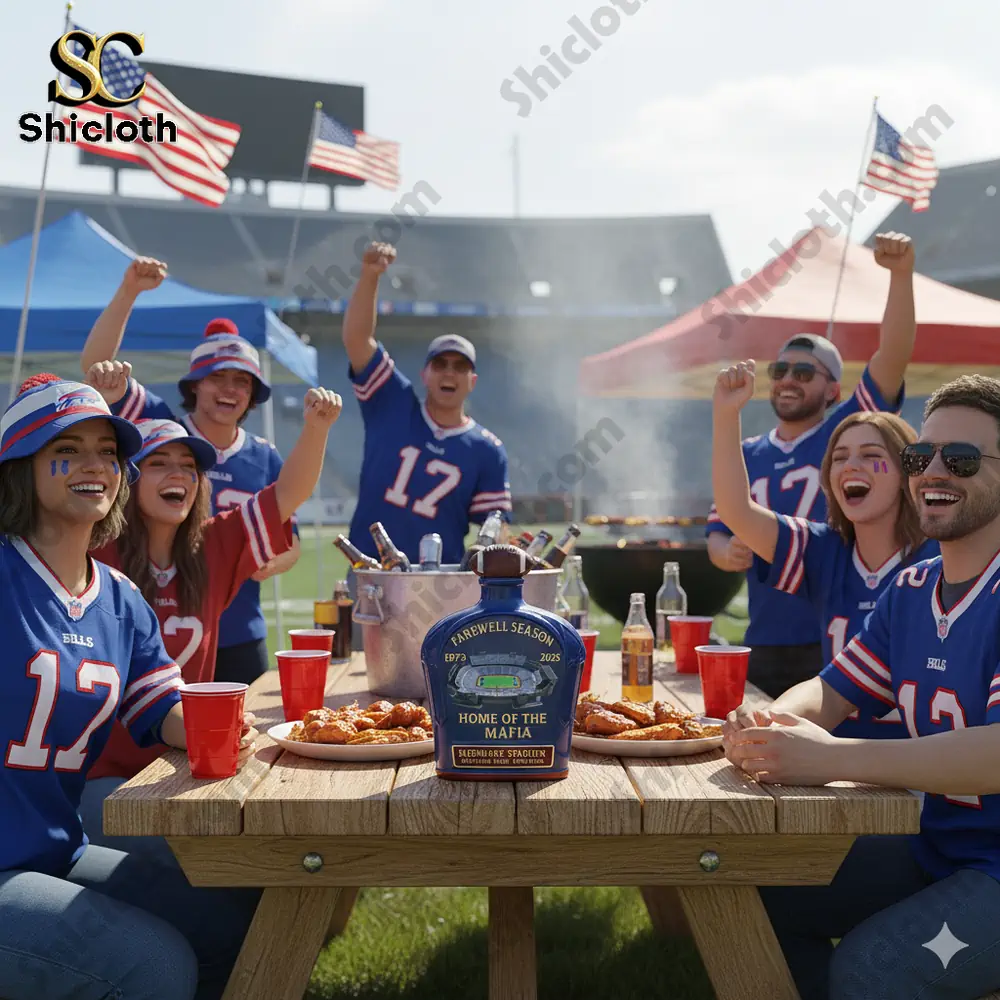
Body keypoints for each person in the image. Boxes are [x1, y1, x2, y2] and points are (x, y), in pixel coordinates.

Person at [723, 374, 1000, 1000]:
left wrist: (833, 758)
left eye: (961, 458)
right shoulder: (911, 590)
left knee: (871, 968)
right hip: (939, 843)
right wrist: (774, 721)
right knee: (761, 894)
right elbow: (833, 688)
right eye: (919, 456)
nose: (934, 471)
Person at [0, 374, 257, 1000]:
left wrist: (216, 724)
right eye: (67, 447)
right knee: (153, 965)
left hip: (57, 849)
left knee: (233, 920)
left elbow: (159, 704)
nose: (94, 465)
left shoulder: (119, 596)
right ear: (18, 465)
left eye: (108, 452)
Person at [78, 361, 342, 859]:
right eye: (159, 463)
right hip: (103, 770)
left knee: (265, 848)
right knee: (185, 866)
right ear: (128, 481)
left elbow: (287, 495)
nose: (177, 474)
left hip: (186, 756)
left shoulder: (212, 547)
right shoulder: (95, 548)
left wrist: (317, 428)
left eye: (188, 466)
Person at [705, 231, 917, 699]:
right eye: (779, 371)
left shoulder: (844, 435)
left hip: (832, 625)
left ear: (834, 390)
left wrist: (900, 278)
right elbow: (724, 523)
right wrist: (725, 552)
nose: (788, 380)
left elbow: (893, 357)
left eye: (804, 373)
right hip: (765, 628)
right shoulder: (748, 450)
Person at [81, 257, 301, 686]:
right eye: (218, 377)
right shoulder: (160, 427)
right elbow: (97, 365)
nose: (230, 390)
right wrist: (129, 291)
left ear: (253, 394)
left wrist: (268, 564)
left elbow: (289, 545)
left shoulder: (266, 457)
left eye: (242, 382)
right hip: (150, 622)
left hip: (238, 632)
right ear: (194, 383)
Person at [712, 358, 937, 738]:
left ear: (907, 474)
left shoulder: (939, 557)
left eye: (871, 455)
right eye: (838, 457)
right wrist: (725, 413)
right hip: (836, 762)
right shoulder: (823, 549)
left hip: (918, 770)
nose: (851, 465)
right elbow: (737, 511)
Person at [342, 241, 512, 570]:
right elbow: (357, 340)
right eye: (441, 364)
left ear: (472, 380)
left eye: (460, 366)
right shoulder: (392, 403)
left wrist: (504, 544)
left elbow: (495, 524)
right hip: (372, 570)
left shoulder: (487, 450)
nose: (450, 372)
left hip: (441, 578)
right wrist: (370, 276)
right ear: (425, 374)